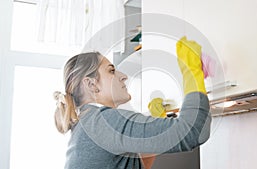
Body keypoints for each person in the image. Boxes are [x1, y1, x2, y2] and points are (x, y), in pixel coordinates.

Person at [53, 37, 211, 169]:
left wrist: (159, 119)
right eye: (111, 71)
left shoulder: (88, 123)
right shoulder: (104, 121)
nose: (123, 76)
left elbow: (135, 165)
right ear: (92, 84)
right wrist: (191, 72)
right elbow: (193, 133)